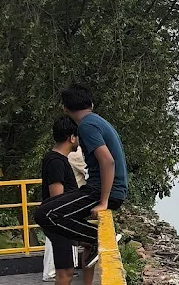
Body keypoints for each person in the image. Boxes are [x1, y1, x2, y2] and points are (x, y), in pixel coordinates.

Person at [35, 84, 128, 268]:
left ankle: (96, 239)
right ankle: (92, 240)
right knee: (50, 210)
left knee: (44, 214)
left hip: (100, 191)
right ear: (91, 103)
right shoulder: (96, 121)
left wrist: (103, 201)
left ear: (65, 108)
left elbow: (107, 161)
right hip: (103, 189)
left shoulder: (86, 126)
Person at [37, 116, 98, 285]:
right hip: (59, 221)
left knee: (88, 245)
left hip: (61, 220)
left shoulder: (57, 159)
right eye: (77, 137)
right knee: (64, 274)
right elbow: (57, 199)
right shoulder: (56, 162)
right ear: (71, 137)